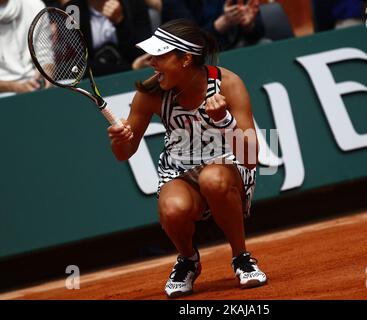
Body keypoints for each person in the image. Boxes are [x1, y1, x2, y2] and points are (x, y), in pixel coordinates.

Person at [107, 18, 267, 298]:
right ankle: (188, 260)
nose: (151, 62)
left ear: (185, 59)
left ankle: (241, 257)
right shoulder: (150, 94)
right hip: (180, 172)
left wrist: (224, 120)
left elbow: (251, 158)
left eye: (159, 56)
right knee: (172, 209)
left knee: (214, 179)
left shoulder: (228, 83)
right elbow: (124, 154)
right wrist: (120, 140)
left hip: (228, 168)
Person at [64, 0, 154, 76]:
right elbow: (75, 65)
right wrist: (130, 68)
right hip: (92, 84)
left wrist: (120, 22)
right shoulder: (72, 10)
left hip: (136, 79)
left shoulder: (133, 3)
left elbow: (143, 54)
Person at [161, 0, 267, 51]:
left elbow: (259, 31)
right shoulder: (173, 2)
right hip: (200, 58)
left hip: (237, 48)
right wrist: (221, 24)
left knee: (264, 44)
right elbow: (188, 43)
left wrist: (248, 25)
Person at [0, 0, 51, 95]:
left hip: (36, 88)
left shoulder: (36, 5)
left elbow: (47, 58)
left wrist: (46, 74)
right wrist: (14, 87)